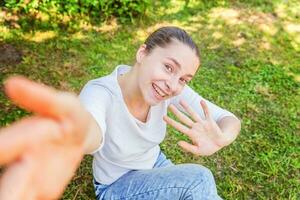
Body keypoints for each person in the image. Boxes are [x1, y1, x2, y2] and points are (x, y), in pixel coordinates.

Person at [0, 26, 241, 200]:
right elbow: (91, 130)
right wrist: (76, 134)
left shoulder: (170, 89)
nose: (173, 85)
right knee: (198, 180)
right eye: (168, 67)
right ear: (142, 54)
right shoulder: (101, 92)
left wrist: (224, 137)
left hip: (155, 166)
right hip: (116, 185)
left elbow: (228, 119)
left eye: (184, 79)